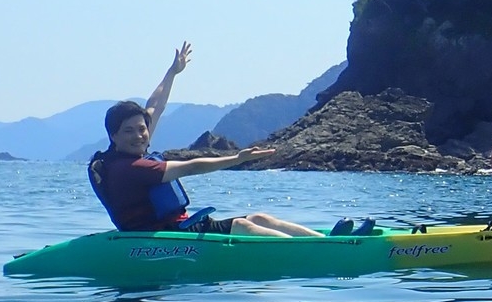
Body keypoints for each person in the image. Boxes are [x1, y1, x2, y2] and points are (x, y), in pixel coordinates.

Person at [87, 42, 321, 237]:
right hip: (164, 235)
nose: (139, 135)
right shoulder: (129, 168)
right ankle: (316, 251)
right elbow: (191, 167)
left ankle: (324, 241)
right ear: (113, 135)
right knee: (243, 226)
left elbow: (154, 107)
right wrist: (236, 159)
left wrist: (172, 72)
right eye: (129, 131)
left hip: (178, 227)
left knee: (260, 218)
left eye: (141, 129)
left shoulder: (129, 150)